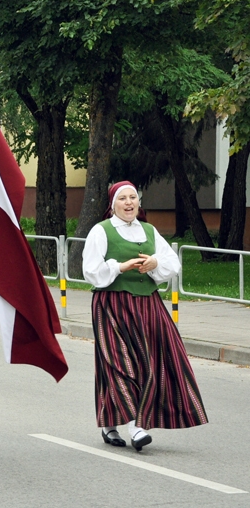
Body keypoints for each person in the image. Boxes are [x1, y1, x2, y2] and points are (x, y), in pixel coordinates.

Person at [83, 181, 208, 450]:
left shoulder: (149, 231)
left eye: (133, 198)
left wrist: (155, 263)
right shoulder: (101, 231)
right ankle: (136, 426)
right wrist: (119, 266)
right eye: (122, 199)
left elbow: (171, 263)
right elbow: (90, 271)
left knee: (152, 363)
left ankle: (109, 423)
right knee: (118, 363)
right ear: (112, 205)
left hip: (147, 307)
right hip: (112, 306)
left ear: (139, 202)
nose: (129, 203)